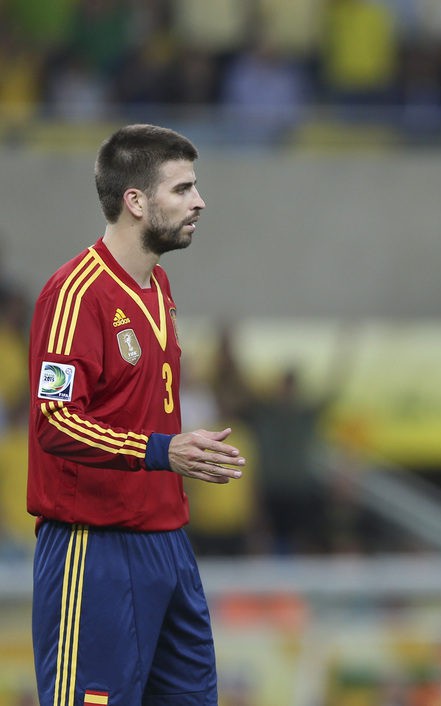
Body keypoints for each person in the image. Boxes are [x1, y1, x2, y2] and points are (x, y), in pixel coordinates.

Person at [28, 124, 247, 705]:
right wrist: (161, 450)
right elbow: (53, 420)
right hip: (94, 544)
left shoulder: (158, 285)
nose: (199, 202)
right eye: (182, 189)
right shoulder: (74, 294)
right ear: (136, 201)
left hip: (167, 543)